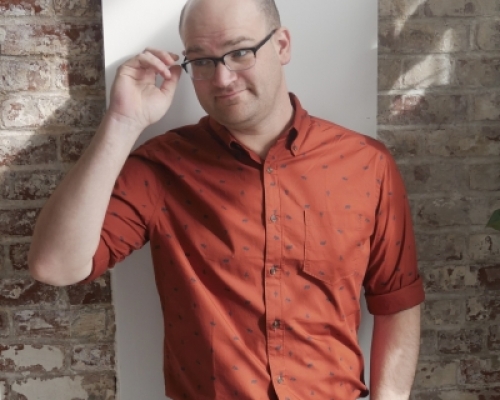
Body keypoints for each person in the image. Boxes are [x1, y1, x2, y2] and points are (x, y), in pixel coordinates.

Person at [28, 0, 425, 399]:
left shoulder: (365, 164)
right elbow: (55, 266)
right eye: (201, 61)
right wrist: (122, 122)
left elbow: (397, 298)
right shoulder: (163, 168)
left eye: (239, 53)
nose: (221, 78)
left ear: (282, 45)